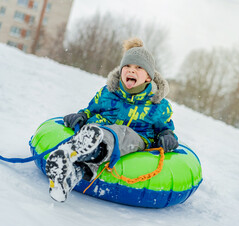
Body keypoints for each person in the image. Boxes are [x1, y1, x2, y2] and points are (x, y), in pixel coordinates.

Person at [46, 37, 179, 202]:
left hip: (134, 137)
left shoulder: (158, 105)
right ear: (121, 70)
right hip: (97, 129)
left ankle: (86, 143)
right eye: (127, 66)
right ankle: (71, 176)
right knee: (97, 131)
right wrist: (81, 116)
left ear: (148, 77)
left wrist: (167, 136)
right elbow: (90, 110)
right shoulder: (107, 93)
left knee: (121, 132)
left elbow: (165, 128)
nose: (131, 70)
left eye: (138, 67)